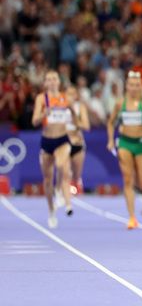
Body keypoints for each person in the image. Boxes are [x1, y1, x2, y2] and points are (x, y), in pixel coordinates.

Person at [106, 71, 142, 230]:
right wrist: (110, 140)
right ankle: (132, 217)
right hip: (125, 143)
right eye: (131, 85)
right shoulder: (120, 103)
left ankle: (138, 193)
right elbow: (110, 122)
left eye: (137, 85)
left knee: (141, 183)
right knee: (127, 179)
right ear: (126, 86)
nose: (134, 88)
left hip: (141, 143)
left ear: (140, 86)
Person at [31, 70, 77, 228]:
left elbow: (75, 116)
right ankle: (51, 210)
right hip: (47, 141)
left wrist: (76, 125)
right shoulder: (41, 99)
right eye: (48, 79)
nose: (51, 82)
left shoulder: (65, 98)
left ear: (59, 81)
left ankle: (59, 191)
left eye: (54, 79)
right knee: (47, 179)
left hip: (62, 139)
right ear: (45, 83)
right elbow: (34, 121)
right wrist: (44, 113)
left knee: (61, 165)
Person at [65, 86, 90, 195]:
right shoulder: (60, 107)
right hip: (64, 144)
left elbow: (86, 126)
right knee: (65, 173)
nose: (70, 96)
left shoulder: (80, 107)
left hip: (77, 143)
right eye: (68, 94)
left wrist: (74, 116)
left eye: (73, 94)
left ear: (76, 96)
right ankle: (65, 198)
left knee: (76, 175)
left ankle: (78, 191)